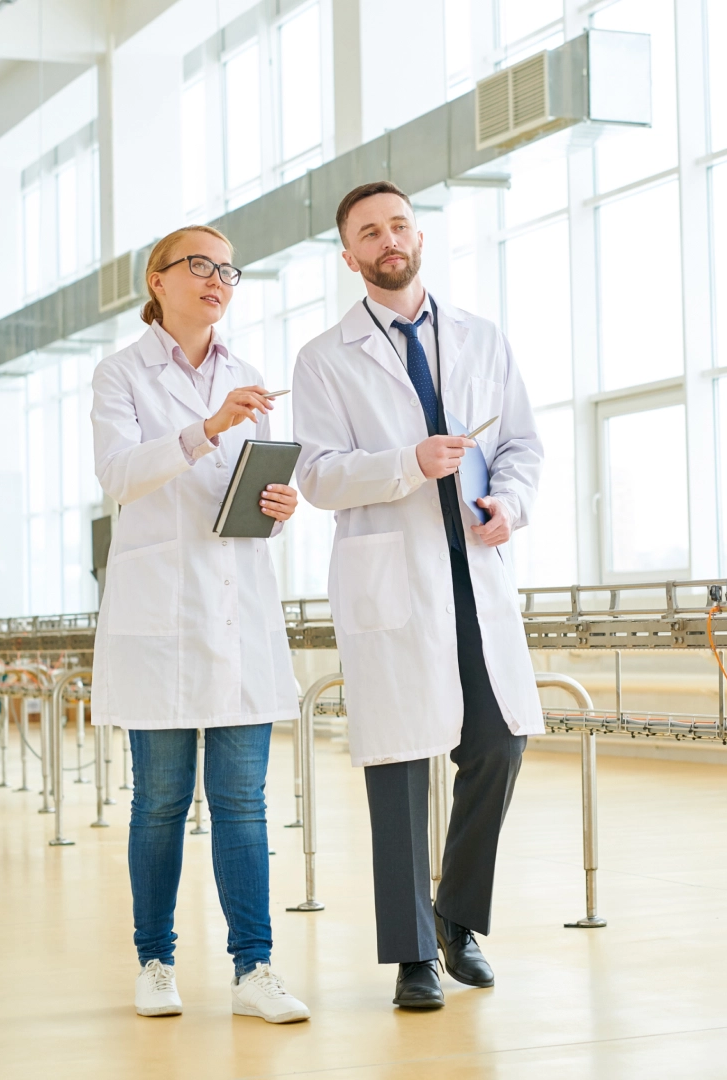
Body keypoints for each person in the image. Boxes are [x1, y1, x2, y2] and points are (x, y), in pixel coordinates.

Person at [292, 181, 545, 1010]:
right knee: (399, 765)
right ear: (350, 255)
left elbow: (521, 447)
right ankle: (411, 957)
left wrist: (508, 504)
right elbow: (319, 476)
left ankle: (457, 919)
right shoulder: (326, 359)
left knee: (498, 746)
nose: (387, 239)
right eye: (369, 232)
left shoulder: (480, 336)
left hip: (474, 573)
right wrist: (409, 462)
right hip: (393, 582)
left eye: (398, 224)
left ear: (418, 237)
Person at [88, 224, 311, 1024]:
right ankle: (155, 960)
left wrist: (277, 507)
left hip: (239, 613)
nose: (217, 279)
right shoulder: (121, 376)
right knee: (159, 802)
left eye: (228, 270)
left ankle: (255, 968)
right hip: (161, 619)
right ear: (158, 279)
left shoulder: (248, 374)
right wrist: (208, 428)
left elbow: (243, 496)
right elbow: (121, 474)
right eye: (200, 266)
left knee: (244, 803)